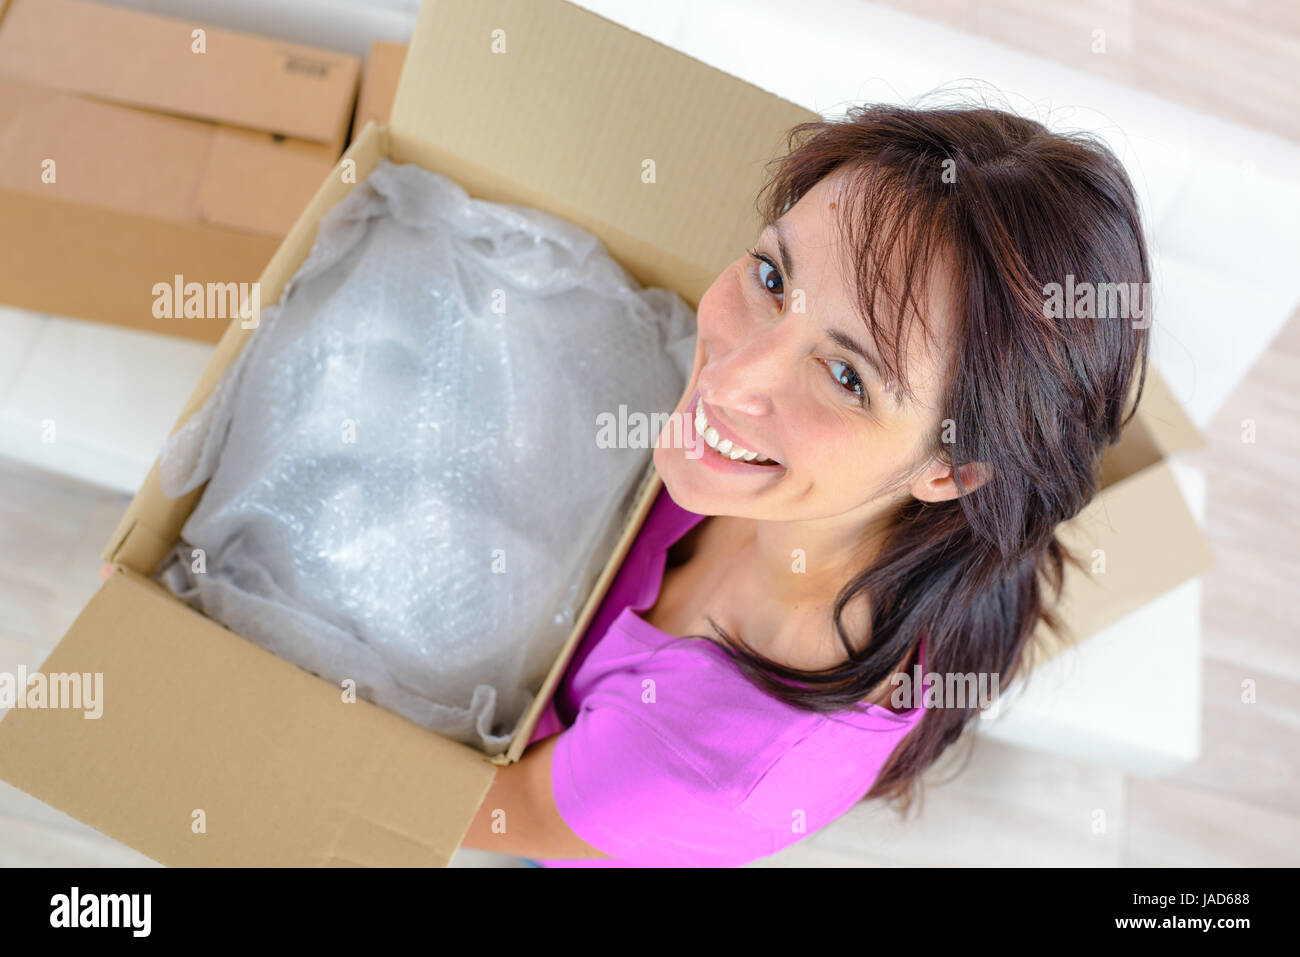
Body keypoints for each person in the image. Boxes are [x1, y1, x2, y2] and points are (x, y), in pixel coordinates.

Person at [460, 101, 1151, 866]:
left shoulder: (693, 762)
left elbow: (496, 809)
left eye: (847, 376)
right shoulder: (836, 493)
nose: (729, 375)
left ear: (949, 470)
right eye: (772, 276)